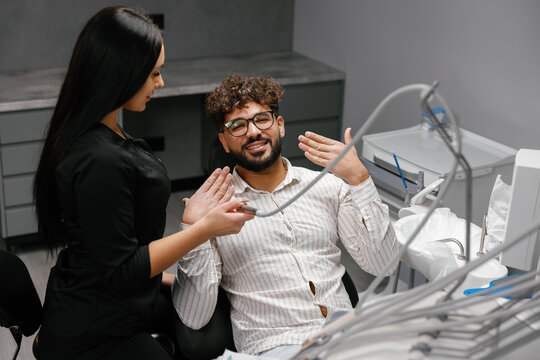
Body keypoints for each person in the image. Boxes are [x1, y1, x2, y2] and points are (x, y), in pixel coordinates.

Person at [33, 7, 253, 360]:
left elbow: (107, 246)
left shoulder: (102, 128)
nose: (160, 83)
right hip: (93, 328)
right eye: (153, 73)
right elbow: (121, 269)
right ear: (120, 73)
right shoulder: (98, 161)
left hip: (115, 293)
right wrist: (203, 230)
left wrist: (171, 282)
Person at [172, 74, 400, 357]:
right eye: (238, 126)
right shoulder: (213, 209)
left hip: (348, 338)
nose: (253, 132)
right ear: (224, 141)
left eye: (262, 120)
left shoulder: (327, 186)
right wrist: (195, 230)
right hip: (277, 347)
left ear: (279, 126)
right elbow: (194, 317)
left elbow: (384, 265)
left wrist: (360, 179)